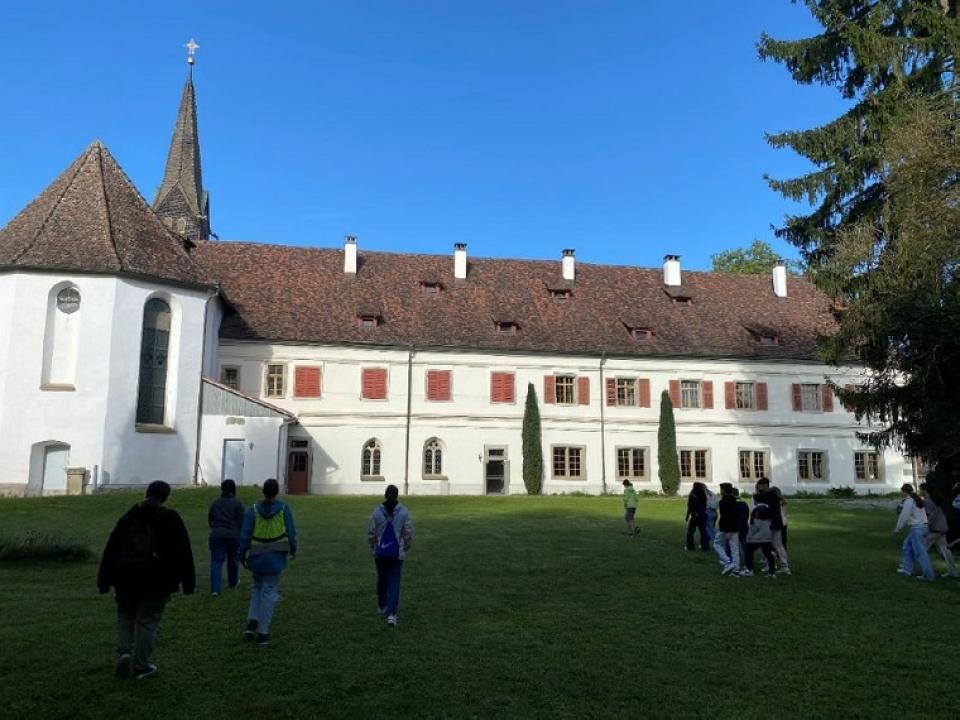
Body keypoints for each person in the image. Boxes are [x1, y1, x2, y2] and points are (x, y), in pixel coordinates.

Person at [97, 481, 196, 679]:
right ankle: (141, 665)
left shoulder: (130, 515)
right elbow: (184, 550)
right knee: (148, 621)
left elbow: (112, 547)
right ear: (166, 497)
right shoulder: (170, 518)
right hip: (157, 578)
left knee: (126, 614)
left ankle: (124, 652)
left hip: (125, 576)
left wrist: (104, 579)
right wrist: (188, 582)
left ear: (146, 493)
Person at [239, 478, 297, 646]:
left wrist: (242, 553)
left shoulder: (253, 509)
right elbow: (291, 532)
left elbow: (245, 534)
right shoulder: (284, 509)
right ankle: (263, 632)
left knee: (257, 587)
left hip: (256, 555)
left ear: (263, 491)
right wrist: (293, 548)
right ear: (277, 492)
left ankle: (252, 622)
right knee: (269, 591)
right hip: (275, 556)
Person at [367, 484, 414, 627]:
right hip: (396, 553)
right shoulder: (403, 512)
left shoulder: (377, 512)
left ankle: (382, 606)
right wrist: (405, 547)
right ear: (397, 495)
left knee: (382, 578)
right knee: (394, 581)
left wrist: (374, 548)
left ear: (385, 495)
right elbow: (408, 533)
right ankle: (392, 614)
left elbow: (371, 533)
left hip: (380, 553)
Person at [208, 479, 245, 595]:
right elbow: (242, 522)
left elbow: (210, 519)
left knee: (216, 561)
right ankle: (233, 582)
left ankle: (215, 589)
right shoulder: (238, 504)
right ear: (234, 489)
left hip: (216, 535)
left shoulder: (215, 503)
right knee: (233, 560)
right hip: (233, 536)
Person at [895, 483, 935, 581]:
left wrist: (898, 527)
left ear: (904, 491)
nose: (900, 493)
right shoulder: (916, 499)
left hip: (917, 529)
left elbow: (904, 515)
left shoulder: (909, 501)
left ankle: (928, 575)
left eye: (901, 491)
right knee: (907, 546)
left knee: (920, 553)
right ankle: (907, 569)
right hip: (921, 527)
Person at [919, 483, 958, 578]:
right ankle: (953, 572)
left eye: (920, 489)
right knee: (945, 552)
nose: (919, 491)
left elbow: (931, 516)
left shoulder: (928, 502)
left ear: (924, 491)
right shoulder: (935, 500)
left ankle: (923, 573)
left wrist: (925, 526)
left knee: (921, 550)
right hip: (942, 529)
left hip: (934, 530)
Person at [756, 477, 790, 574]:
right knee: (778, 545)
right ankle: (784, 565)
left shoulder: (768, 496)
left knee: (768, 545)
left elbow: (763, 508)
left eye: (760, 486)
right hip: (777, 523)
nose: (759, 488)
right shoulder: (774, 495)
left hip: (769, 523)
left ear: (764, 485)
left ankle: (771, 565)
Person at [740, 499, 777, 578]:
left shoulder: (756, 513)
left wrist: (748, 537)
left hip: (755, 539)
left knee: (748, 552)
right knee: (768, 554)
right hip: (766, 538)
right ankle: (772, 572)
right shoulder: (768, 514)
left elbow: (753, 528)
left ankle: (749, 570)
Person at [714, 483, 740, 575]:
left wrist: (728, 530)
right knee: (734, 548)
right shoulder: (734, 500)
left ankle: (727, 562)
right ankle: (735, 569)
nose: (720, 491)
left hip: (726, 528)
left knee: (716, 543)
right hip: (734, 527)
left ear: (723, 490)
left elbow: (726, 516)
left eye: (721, 489)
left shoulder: (723, 502)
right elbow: (735, 515)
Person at [685, 482, 709, 551]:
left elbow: (690, 506)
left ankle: (690, 546)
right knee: (703, 531)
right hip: (703, 514)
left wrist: (687, 515)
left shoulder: (692, 495)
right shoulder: (703, 495)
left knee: (691, 531)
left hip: (695, 515)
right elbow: (704, 505)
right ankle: (705, 547)